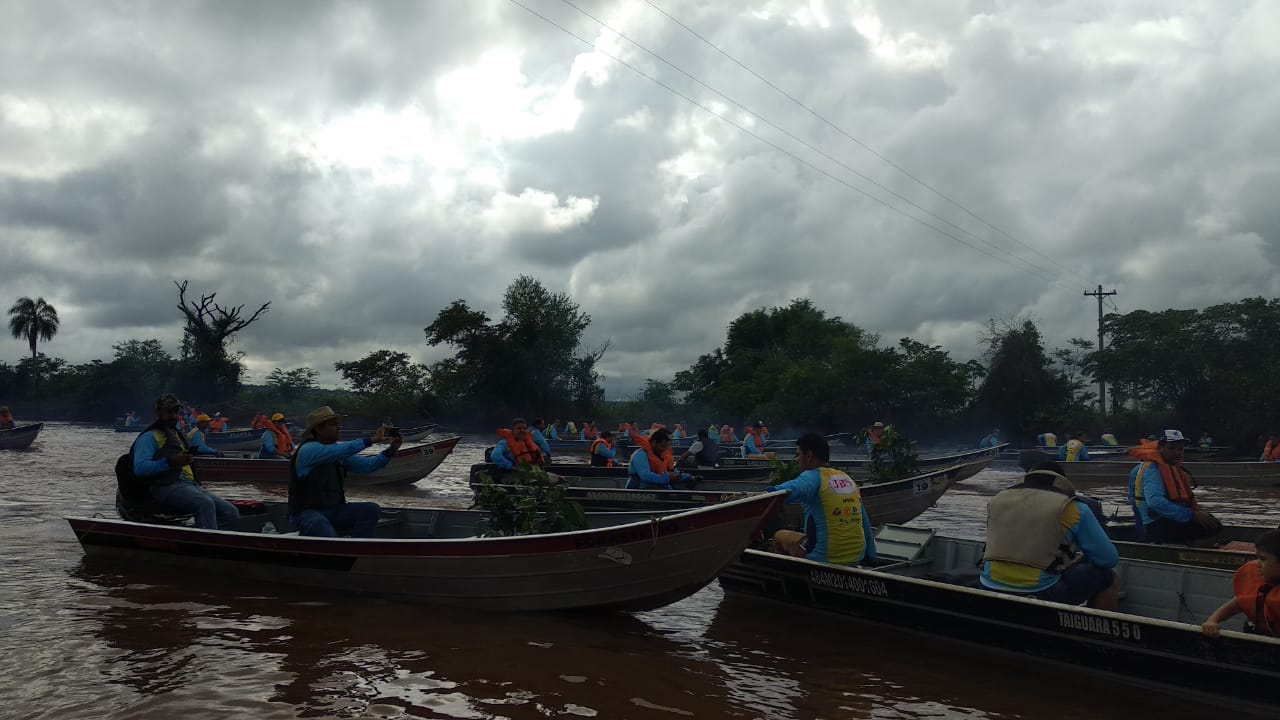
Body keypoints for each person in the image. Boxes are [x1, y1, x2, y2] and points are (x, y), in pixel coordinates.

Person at [980, 461, 1120, 610]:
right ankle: (1099, 623)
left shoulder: (997, 500)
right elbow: (1108, 559)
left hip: (988, 584)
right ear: (1062, 482)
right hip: (1041, 591)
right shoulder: (1074, 507)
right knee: (1109, 577)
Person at [288, 405, 402, 538]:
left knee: (371, 509)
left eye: (338, 424)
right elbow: (338, 450)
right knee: (319, 523)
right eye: (333, 425)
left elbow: (367, 465)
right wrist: (372, 440)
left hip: (334, 510)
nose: (339, 428)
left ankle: (357, 547)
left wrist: (391, 450)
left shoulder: (337, 452)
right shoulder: (308, 450)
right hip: (306, 513)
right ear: (319, 429)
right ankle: (336, 547)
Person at [764, 433, 877, 566]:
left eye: (798, 454)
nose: (796, 459)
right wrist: (872, 558)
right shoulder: (847, 479)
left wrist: (765, 494)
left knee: (779, 535)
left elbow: (788, 490)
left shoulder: (813, 476)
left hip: (823, 558)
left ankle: (782, 573)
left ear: (809, 456)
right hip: (856, 557)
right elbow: (865, 524)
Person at [131, 393, 239, 530]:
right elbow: (139, 468)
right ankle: (205, 540)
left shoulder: (178, 435)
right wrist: (170, 462)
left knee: (231, 512)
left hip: (190, 485)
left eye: (176, 412)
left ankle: (203, 535)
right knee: (205, 504)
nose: (174, 416)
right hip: (165, 486)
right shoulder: (149, 437)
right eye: (169, 412)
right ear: (158, 413)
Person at [1127, 430, 1222, 543]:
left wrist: (1196, 514)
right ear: (1161, 448)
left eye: (1180, 449)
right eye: (1171, 448)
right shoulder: (1153, 470)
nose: (1177, 452)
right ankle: (1189, 550)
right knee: (1209, 529)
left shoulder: (1172, 467)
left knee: (1213, 524)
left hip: (1167, 518)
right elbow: (1155, 502)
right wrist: (1192, 515)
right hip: (1154, 523)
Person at [1202, 529, 1280, 638]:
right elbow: (1237, 604)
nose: (1257, 565)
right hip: (1257, 636)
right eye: (1257, 558)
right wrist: (1212, 620)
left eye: (1263, 559)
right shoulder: (1259, 585)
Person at [627, 428, 691, 489]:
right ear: (654, 443)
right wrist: (668, 478)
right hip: (641, 489)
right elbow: (645, 475)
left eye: (667, 447)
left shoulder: (662, 455)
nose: (664, 450)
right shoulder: (640, 455)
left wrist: (687, 477)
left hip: (659, 487)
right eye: (662, 446)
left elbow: (671, 471)